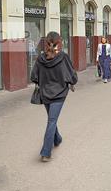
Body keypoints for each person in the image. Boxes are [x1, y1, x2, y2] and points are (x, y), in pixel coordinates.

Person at [29, 32, 78, 162]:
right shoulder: (63, 57)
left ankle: (57, 139)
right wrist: (70, 82)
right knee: (52, 120)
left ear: (46, 43)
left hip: (45, 93)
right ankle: (46, 152)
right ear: (59, 42)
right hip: (59, 94)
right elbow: (73, 76)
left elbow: (33, 77)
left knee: (52, 119)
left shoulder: (40, 59)